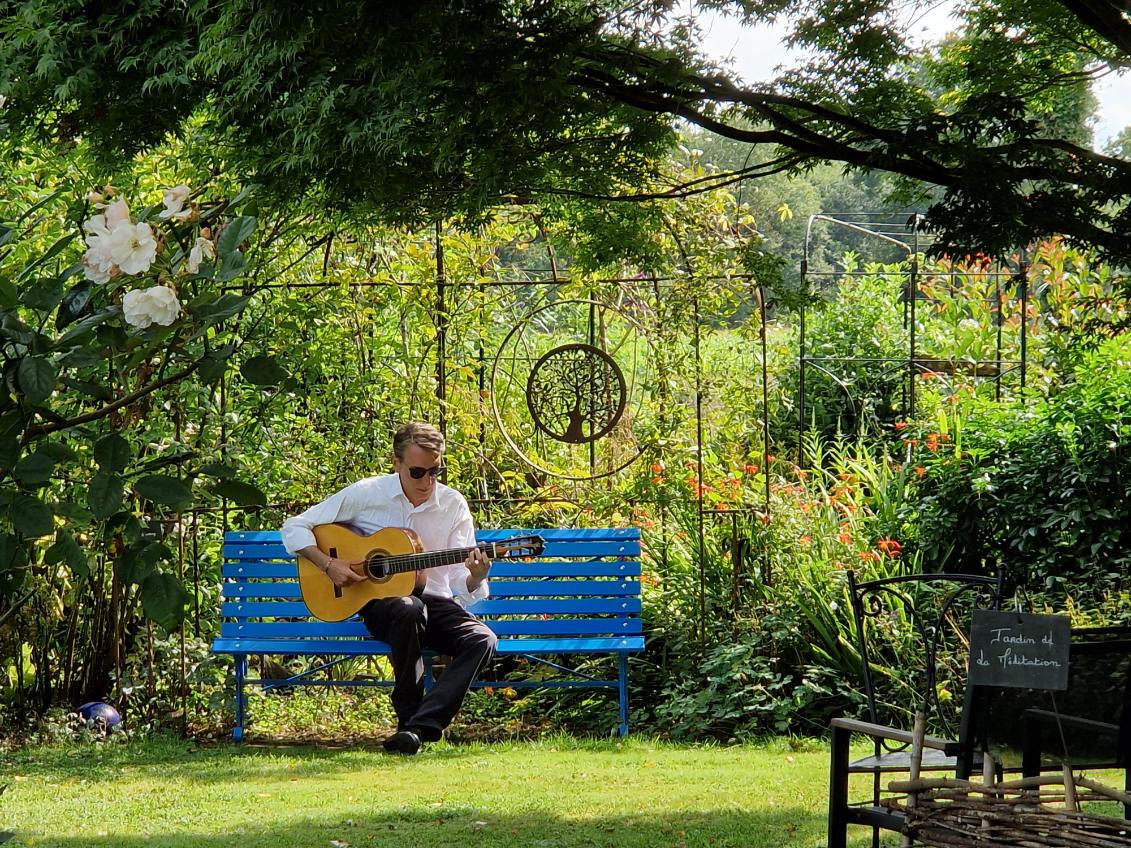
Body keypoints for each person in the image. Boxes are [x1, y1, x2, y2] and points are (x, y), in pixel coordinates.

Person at [280, 422, 496, 755]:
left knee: (482, 639)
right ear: (396, 464)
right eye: (418, 471)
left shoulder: (453, 504)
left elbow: (457, 582)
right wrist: (328, 564)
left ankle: (419, 728)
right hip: (380, 601)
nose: (427, 481)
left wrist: (476, 575)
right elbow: (295, 525)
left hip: (435, 601)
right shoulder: (367, 494)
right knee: (408, 608)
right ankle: (408, 718)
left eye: (436, 471)